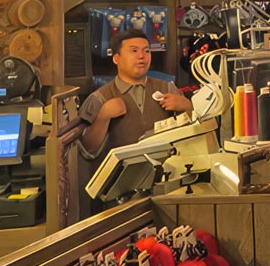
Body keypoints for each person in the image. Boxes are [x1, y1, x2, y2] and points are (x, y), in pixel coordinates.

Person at [78, 29, 192, 170]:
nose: (142, 57)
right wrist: (103, 116)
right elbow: (87, 152)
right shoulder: (99, 98)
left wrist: (188, 107)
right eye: (133, 51)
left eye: (146, 51)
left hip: (166, 177)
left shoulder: (168, 89)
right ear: (116, 58)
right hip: (121, 185)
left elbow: (192, 137)